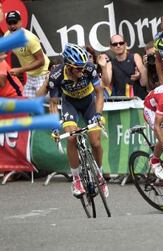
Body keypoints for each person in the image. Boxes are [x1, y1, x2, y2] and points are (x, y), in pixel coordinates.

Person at [49, 43, 108, 198]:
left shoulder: (89, 68)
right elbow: (53, 104)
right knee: (71, 138)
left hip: (89, 102)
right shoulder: (56, 76)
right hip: (70, 104)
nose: (82, 72)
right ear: (68, 66)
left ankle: (100, 175)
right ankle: (76, 178)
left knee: (95, 142)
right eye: (78, 68)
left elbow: (99, 93)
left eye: (83, 68)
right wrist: (55, 127)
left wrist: (99, 114)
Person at [4, 10, 50, 98]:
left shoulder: (29, 38)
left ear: (20, 22)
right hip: (30, 76)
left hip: (43, 74)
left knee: (44, 103)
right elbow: (3, 53)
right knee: (27, 105)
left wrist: (20, 70)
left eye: (15, 22)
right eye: (10, 23)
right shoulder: (7, 36)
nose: (12, 26)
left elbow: (41, 61)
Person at [98, 34, 148, 99]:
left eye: (121, 43)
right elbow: (106, 84)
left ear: (125, 44)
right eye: (115, 44)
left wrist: (141, 73)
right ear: (111, 47)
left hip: (139, 100)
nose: (118, 46)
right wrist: (103, 68)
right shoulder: (110, 64)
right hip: (122, 102)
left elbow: (144, 82)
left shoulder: (135, 56)